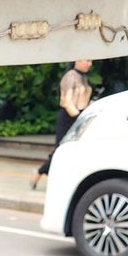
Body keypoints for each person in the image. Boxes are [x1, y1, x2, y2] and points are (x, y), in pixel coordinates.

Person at [31, 58, 93, 188]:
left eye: (90, 61)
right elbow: (66, 101)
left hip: (79, 117)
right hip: (69, 118)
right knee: (61, 150)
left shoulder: (83, 77)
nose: (89, 64)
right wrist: (78, 117)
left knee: (75, 151)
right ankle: (39, 172)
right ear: (76, 60)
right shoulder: (70, 77)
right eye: (86, 60)